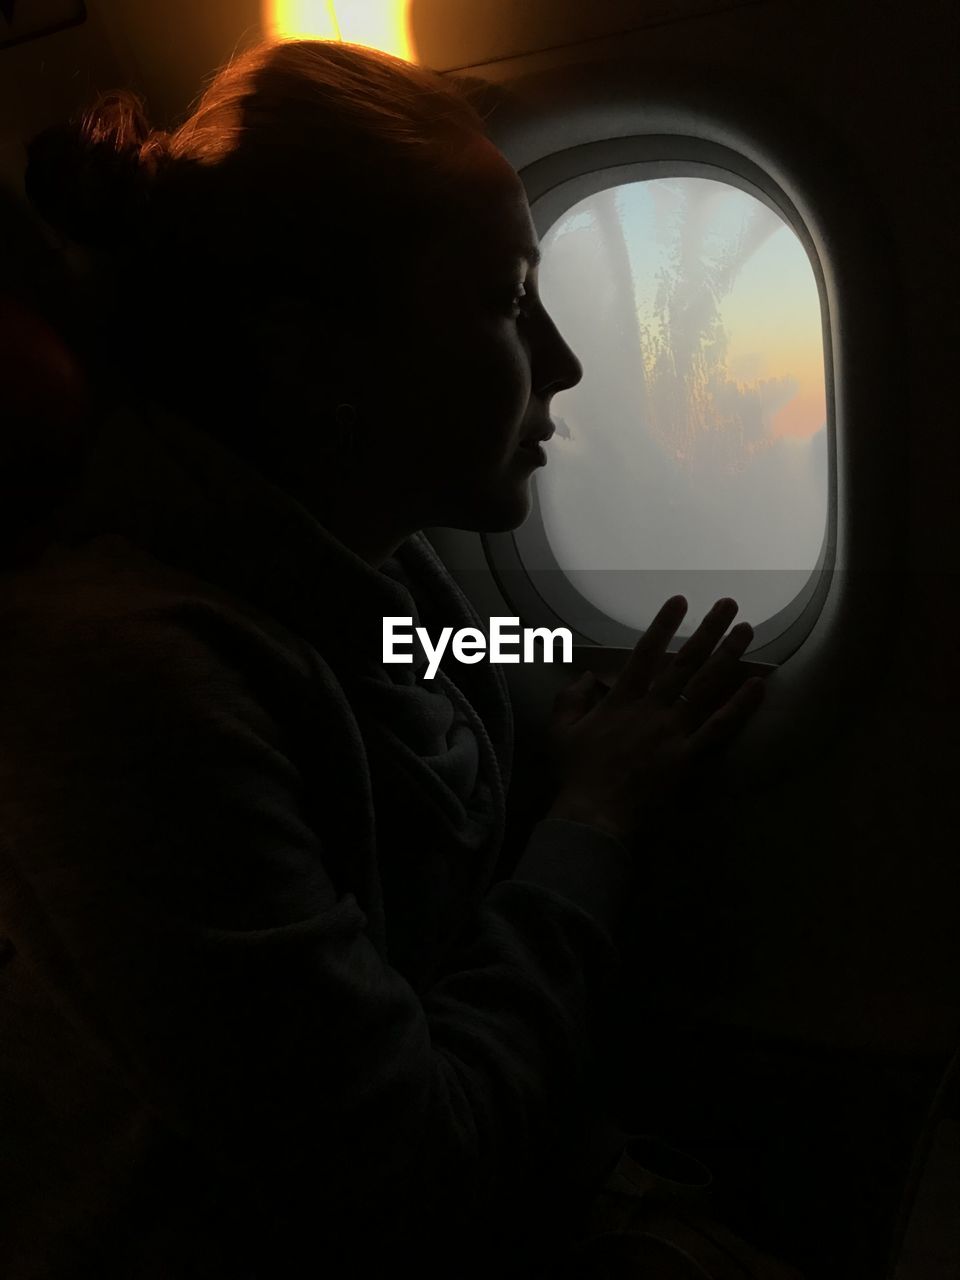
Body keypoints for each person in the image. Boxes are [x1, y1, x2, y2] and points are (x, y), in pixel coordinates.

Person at [1, 39, 770, 1279]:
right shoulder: (133, 690)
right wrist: (598, 815)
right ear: (315, 356)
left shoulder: (372, 566)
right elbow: (414, 1170)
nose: (563, 362)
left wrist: (578, 677)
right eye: (505, 300)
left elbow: (448, 648)